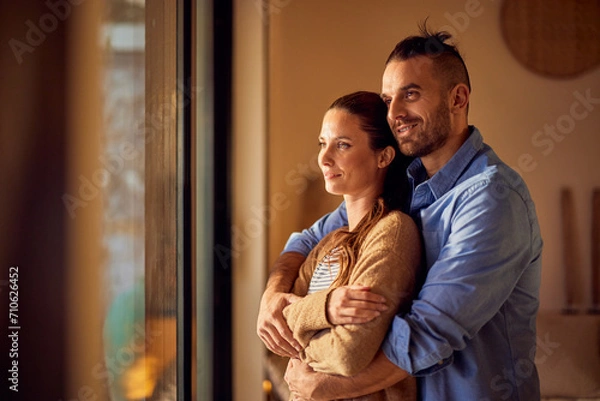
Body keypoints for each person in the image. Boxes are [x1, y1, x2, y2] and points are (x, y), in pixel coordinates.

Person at [257, 25, 543, 401]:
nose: (394, 113)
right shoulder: (405, 185)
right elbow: (308, 240)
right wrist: (273, 297)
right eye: (388, 98)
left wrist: (323, 384)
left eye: (410, 94)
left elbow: (428, 335)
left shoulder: (492, 199)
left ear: (457, 99)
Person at [280, 91, 422, 400]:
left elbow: (348, 354)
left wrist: (302, 336)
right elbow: (280, 329)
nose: (324, 157)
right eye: (323, 143)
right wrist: (326, 308)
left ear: (383, 156)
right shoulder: (330, 242)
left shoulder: (394, 233)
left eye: (342, 145)